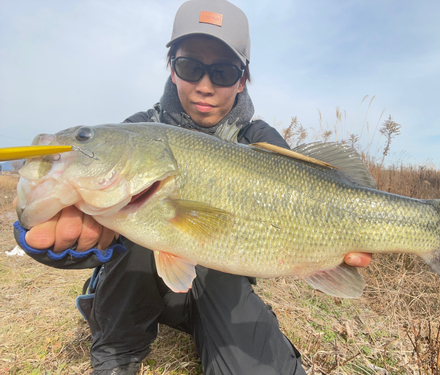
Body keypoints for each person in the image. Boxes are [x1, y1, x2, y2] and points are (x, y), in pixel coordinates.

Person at [15, 0, 372, 374]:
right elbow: (91, 218)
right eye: (191, 67)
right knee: (139, 223)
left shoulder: (260, 139)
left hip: (221, 282)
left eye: (222, 72)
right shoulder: (138, 129)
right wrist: (61, 242)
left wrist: (335, 241)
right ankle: (117, 350)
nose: (205, 85)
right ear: (173, 71)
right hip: (138, 283)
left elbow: (301, 211)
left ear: (242, 79)